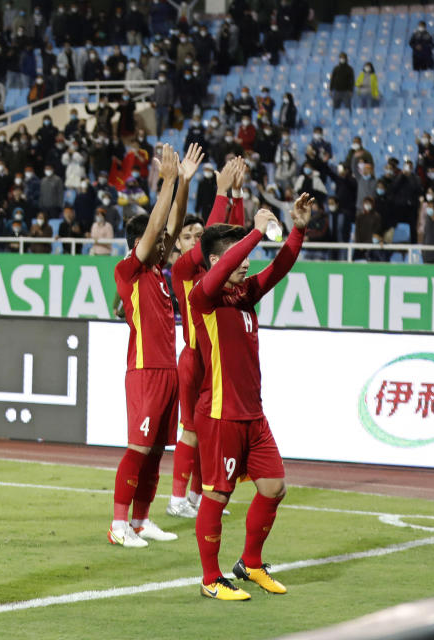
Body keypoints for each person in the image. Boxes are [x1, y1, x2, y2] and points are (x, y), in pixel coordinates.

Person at [189, 194, 315, 600]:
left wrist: (297, 230)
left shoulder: (243, 296)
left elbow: (278, 269)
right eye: (236, 256)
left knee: (274, 486)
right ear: (214, 262)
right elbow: (225, 266)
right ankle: (211, 578)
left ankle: (251, 563)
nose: (245, 263)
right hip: (221, 413)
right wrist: (257, 231)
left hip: (253, 416)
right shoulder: (202, 297)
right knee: (217, 494)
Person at [109, 143, 203, 549]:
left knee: (155, 453)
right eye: (158, 238)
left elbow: (175, 220)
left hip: (167, 371)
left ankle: (142, 520)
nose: (167, 243)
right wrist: (164, 181)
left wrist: (182, 183)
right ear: (138, 241)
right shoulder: (129, 269)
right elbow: (156, 231)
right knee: (138, 448)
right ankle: (118, 524)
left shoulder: (158, 274)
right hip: (145, 371)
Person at [167, 158, 245, 519]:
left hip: (217, 360)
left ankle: (200, 496)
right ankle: (176, 498)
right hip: (195, 358)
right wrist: (220, 193)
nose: (196, 241)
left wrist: (238, 195)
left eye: (199, 236)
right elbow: (216, 239)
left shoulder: (213, 268)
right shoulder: (183, 269)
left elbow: (233, 244)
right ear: (178, 246)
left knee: (210, 430)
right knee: (192, 430)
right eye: (188, 237)